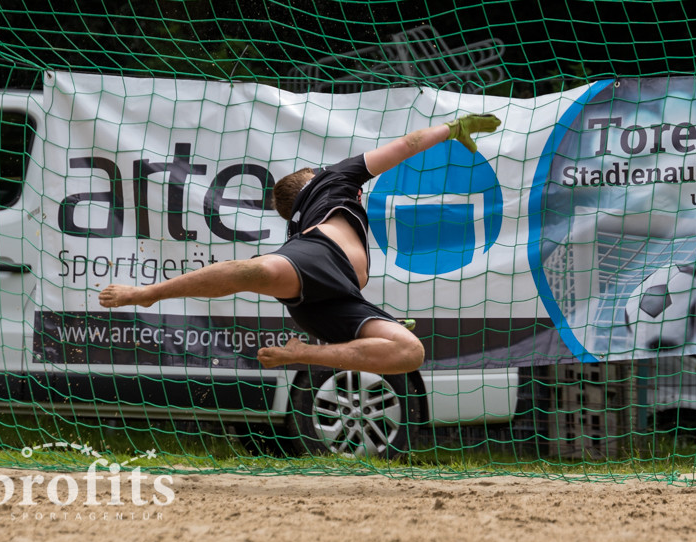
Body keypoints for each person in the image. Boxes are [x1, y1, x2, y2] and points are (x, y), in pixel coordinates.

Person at [99, 113, 502, 374]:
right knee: (256, 270)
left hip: (336, 298)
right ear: (312, 180)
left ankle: (301, 354)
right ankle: (149, 293)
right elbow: (408, 145)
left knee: (410, 352)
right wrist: (451, 129)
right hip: (318, 264)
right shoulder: (333, 180)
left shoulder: (302, 223)